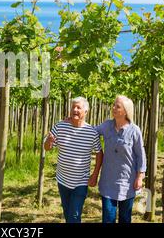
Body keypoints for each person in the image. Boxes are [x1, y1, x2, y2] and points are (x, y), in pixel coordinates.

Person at [44, 97, 103, 223]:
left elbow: (99, 153)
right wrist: (48, 142)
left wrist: (95, 174)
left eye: (78, 107)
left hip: (80, 181)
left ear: (86, 112)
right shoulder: (60, 127)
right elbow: (47, 147)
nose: (75, 110)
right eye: (73, 107)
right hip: (62, 179)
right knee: (67, 212)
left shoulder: (91, 132)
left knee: (75, 215)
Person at [95, 95, 147, 223]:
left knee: (125, 218)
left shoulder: (135, 131)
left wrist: (140, 177)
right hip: (108, 181)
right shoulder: (107, 126)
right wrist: (77, 122)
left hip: (128, 182)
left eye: (117, 106)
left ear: (125, 111)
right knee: (108, 219)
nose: (113, 108)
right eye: (113, 105)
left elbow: (141, 155)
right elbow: (91, 131)